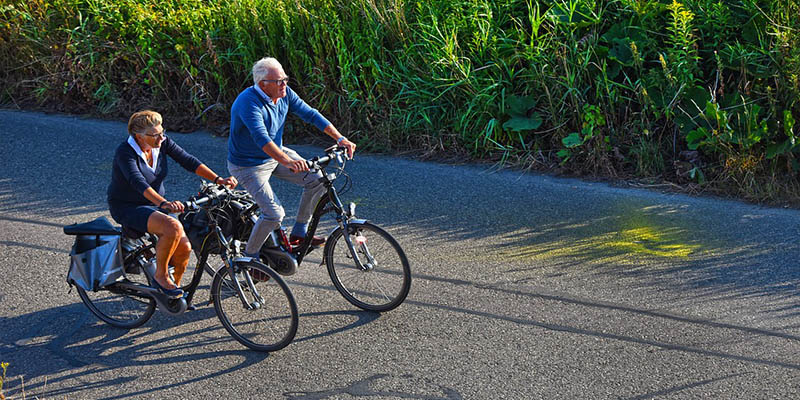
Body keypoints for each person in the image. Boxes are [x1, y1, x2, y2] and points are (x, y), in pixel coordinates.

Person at [227, 57, 356, 262]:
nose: (284, 84)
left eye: (285, 79)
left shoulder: (284, 93)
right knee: (274, 214)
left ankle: (300, 231)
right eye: (279, 81)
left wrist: (340, 138)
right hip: (249, 165)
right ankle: (248, 260)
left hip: (276, 154)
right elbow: (262, 138)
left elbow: (310, 114)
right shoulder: (247, 103)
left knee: (318, 178)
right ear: (263, 85)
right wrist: (288, 161)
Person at [107, 110, 237, 297]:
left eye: (162, 132)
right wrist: (165, 203)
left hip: (155, 205)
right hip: (128, 207)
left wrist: (218, 180)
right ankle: (160, 277)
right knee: (173, 227)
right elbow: (138, 183)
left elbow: (188, 161)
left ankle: (171, 294)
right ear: (139, 136)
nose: (161, 137)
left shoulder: (162, 142)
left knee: (185, 248)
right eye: (155, 135)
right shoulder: (125, 153)